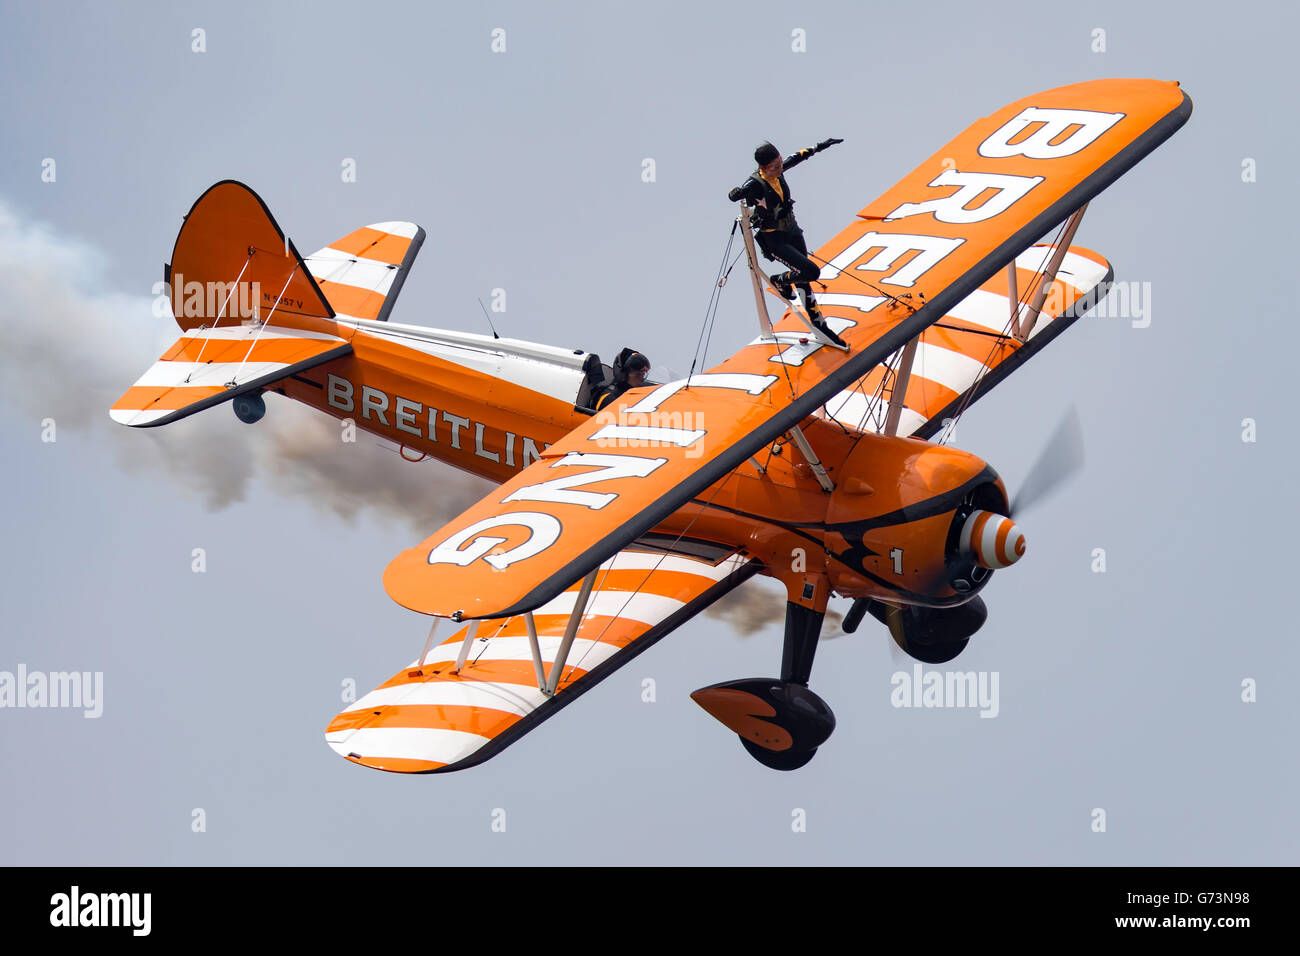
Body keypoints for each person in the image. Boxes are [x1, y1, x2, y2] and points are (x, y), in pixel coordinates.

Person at [728, 138, 846, 348]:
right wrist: (735, 193)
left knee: (804, 279)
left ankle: (819, 325)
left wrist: (821, 146)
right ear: (764, 168)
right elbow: (735, 194)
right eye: (775, 167)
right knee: (811, 272)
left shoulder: (779, 169)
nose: (780, 168)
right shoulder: (755, 183)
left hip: (792, 231)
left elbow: (798, 156)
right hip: (775, 240)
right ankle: (779, 281)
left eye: (780, 163)